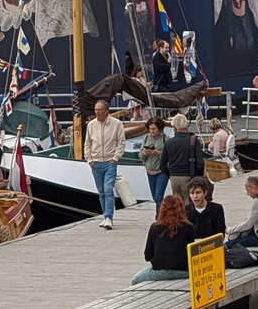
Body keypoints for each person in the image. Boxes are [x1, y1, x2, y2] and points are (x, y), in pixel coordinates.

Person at [132, 196, 197, 285]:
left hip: (160, 271)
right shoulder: (189, 227)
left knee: (135, 280)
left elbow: (148, 256)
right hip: (183, 270)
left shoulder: (155, 227)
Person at [84, 100, 125, 230]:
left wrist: (115, 158)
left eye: (99, 110)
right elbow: (87, 143)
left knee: (108, 189)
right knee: (101, 192)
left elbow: (121, 142)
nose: (97, 112)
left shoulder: (116, 124)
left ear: (106, 111)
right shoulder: (91, 125)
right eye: (95, 109)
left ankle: (108, 217)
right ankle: (105, 215)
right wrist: (89, 160)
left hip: (109, 162)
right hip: (95, 162)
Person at [160, 113, 205, 204]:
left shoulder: (169, 143)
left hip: (174, 177)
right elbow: (200, 162)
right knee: (190, 203)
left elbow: (162, 165)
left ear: (174, 128)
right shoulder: (194, 140)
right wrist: (198, 176)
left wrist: (171, 175)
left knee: (178, 204)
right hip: (189, 176)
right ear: (186, 126)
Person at [140, 117, 169, 207]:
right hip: (150, 171)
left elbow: (170, 156)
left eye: (154, 129)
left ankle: (159, 215)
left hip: (162, 171)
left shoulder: (166, 139)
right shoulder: (146, 138)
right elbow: (140, 156)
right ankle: (162, 213)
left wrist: (158, 153)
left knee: (158, 196)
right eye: (150, 129)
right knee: (155, 197)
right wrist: (145, 153)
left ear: (159, 128)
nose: (151, 131)